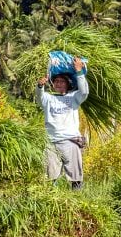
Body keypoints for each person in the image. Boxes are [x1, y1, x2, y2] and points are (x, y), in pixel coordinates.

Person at [36, 55, 89, 190]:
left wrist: (79, 72)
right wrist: (40, 86)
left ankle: (77, 200)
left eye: (62, 81)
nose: (58, 83)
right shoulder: (48, 98)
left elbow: (84, 92)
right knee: (50, 175)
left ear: (68, 84)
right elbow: (39, 96)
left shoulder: (73, 98)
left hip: (70, 141)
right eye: (56, 81)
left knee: (75, 175)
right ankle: (52, 200)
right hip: (51, 142)